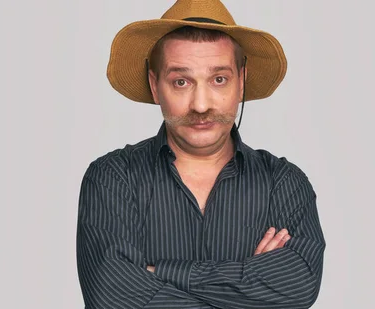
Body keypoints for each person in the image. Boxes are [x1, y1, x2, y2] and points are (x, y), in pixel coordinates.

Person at [76, 0, 326, 308]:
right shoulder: (113, 178)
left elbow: (297, 288)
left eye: (219, 79)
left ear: (241, 82)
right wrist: (251, 290)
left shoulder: (284, 184)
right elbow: (111, 297)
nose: (201, 104)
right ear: (156, 87)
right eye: (181, 82)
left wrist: (158, 272)